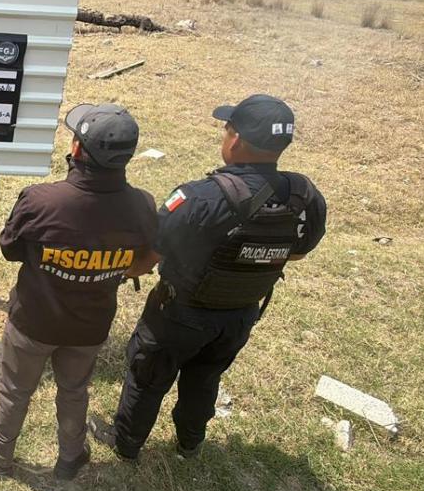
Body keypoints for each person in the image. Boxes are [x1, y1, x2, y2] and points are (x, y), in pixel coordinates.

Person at [91, 94, 327, 460]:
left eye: (227, 129)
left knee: (148, 376)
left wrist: (117, 272)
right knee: (205, 377)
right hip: (240, 314)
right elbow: (297, 252)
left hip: (179, 313)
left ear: (237, 140)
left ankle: (126, 443)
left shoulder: (199, 198)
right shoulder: (305, 196)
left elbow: (148, 258)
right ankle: (190, 443)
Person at [0, 104, 160, 480]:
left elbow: (10, 249)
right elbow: (144, 260)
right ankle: (70, 457)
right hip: (90, 326)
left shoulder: (40, 200)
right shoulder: (143, 205)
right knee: (74, 390)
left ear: (76, 149)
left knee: (15, 390)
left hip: (33, 321)